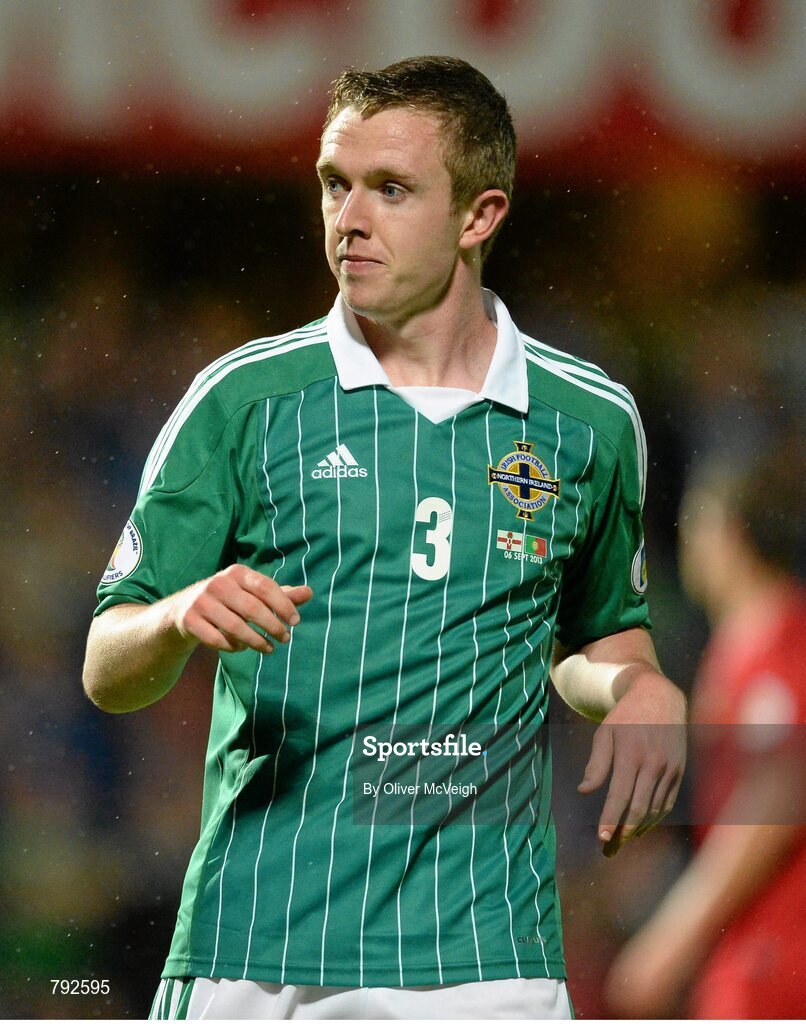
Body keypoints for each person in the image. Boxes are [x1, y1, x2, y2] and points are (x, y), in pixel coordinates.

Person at [83, 56, 686, 1021]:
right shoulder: (245, 403)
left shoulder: (589, 423)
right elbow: (107, 668)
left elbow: (592, 637)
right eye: (335, 183)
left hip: (488, 958)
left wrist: (639, 684)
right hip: (259, 941)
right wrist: (175, 616)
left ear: (479, 217)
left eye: (390, 189)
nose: (347, 218)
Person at [606, 453, 806, 1018]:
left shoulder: (779, 640)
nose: (687, 541)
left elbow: (781, 791)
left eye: (697, 522)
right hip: (753, 945)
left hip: (779, 954)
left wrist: (673, 935)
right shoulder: (738, 644)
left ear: (732, 532)